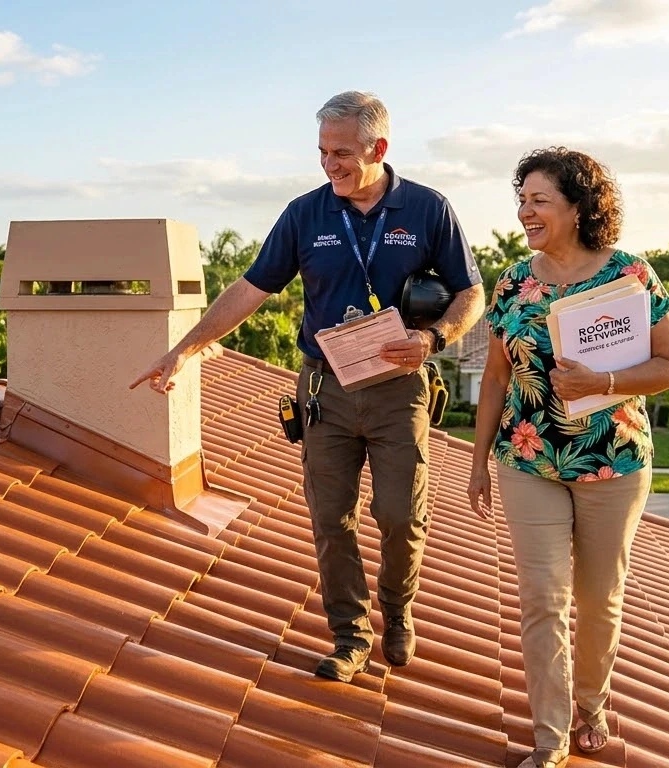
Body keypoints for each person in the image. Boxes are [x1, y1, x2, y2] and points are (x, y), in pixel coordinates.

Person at [132, 91, 485, 682]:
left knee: (400, 513)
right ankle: (350, 635)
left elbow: (472, 293)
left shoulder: (428, 209)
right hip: (326, 389)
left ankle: (397, 610)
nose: (329, 165)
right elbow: (250, 289)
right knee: (331, 518)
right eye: (322, 152)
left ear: (379, 148)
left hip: (401, 386)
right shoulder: (305, 214)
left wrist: (435, 340)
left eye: (342, 153)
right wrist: (183, 350)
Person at [467, 147, 669, 768]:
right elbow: (493, 378)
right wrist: (479, 459)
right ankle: (550, 737)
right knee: (542, 597)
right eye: (522, 200)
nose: (524, 212)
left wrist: (604, 384)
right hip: (526, 460)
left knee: (599, 599)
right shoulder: (514, 280)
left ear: (579, 207)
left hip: (612, 462)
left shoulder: (630, 275)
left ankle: (591, 700)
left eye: (539, 201)